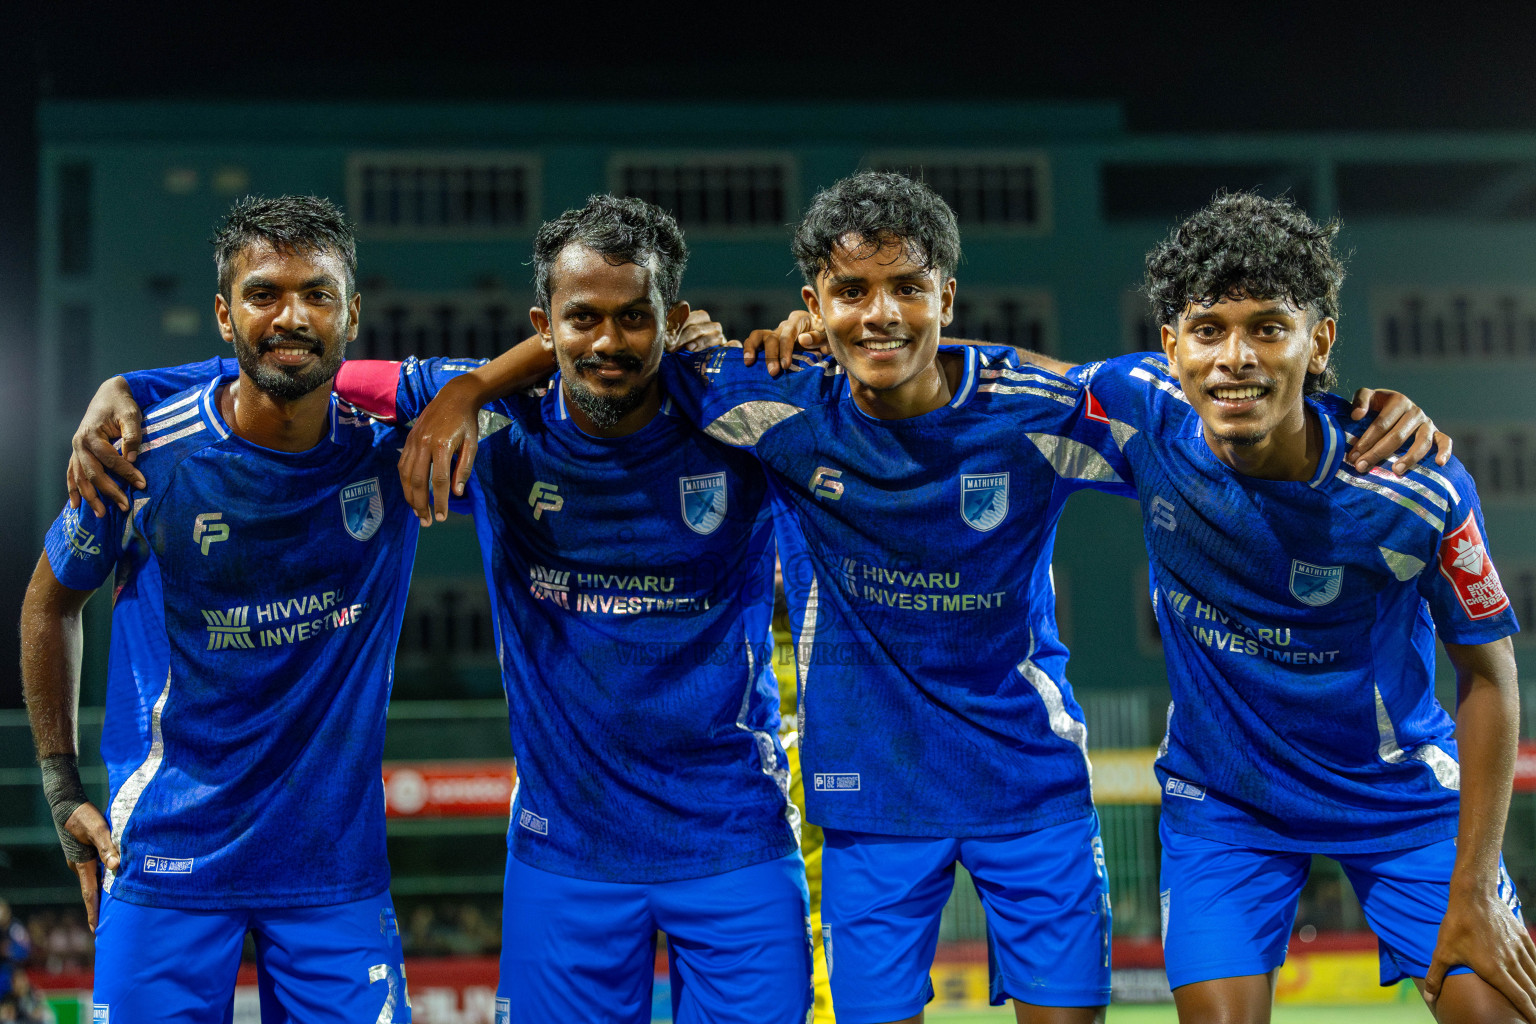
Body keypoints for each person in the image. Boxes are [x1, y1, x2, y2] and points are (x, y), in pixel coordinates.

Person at [68, 195, 812, 1024]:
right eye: (583, 318)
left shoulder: (738, 411)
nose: (608, 340)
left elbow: (886, 381)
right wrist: (128, 385)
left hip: (736, 840)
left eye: (636, 317)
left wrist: (809, 338)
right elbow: (290, 365)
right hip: (563, 861)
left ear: (670, 322)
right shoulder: (498, 429)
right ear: (545, 323)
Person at [1066, 193, 1535, 1023]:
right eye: (1208, 328)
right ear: (1170, 345)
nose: (1235, 356)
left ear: (1317, 340)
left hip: (1397, 801)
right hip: (1227, 802)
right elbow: (980, 382)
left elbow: (1491, 675)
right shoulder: (1142, 409)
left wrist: (1476, 888)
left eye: (1269, 328)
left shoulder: (1413, 490)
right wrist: (829, 346)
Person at [22, 195, 416, 1023]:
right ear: (223, 315)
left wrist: (688, 339)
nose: (291, 316)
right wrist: (61, 788)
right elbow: (48, 602)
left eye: (317, 294)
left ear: (352, 314)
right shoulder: (142, 455)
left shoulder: (393, 446)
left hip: (332, 873)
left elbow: (566, 359)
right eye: (263, 293)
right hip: (164, 859)